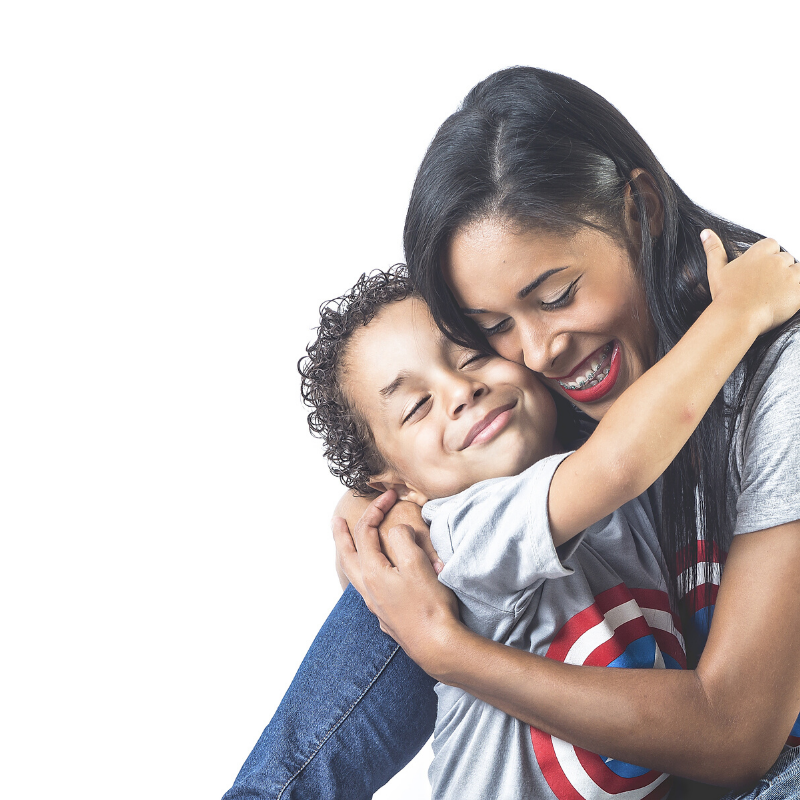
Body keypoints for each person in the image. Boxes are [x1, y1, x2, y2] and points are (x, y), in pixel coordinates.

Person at [223, 67, 800, 800]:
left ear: (642, 210)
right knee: (404, 572)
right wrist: (391, 521)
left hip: (750, 764)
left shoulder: (775, 380)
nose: (536, 352)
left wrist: (449, 650)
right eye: (492, 328)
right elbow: (605, 462)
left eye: (556, 295)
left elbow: (736, 734)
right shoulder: (547, 435)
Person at [296, 242, 798, 800]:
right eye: (416, 407)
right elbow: (618, 464)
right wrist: (739, 313)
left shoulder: (612, 500)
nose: (461, 392)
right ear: (395, 487)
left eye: (470, 356)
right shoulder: (460, 531)